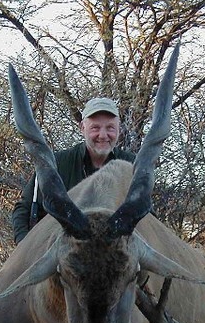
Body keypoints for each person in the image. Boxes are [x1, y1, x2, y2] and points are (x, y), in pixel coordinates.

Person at [11, 97, 135, 243]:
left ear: (119, 129)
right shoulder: (56, 163)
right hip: (62, 252)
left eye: (110, 128)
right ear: (82, 127)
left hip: (118, 255)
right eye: (95, 128)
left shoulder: (132, 164)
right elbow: (23, 209)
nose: (103, 135)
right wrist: (24, 246)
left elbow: (148, 220)